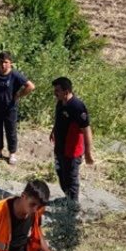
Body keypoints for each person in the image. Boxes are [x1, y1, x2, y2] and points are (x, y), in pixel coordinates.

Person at [0, 51, 35, 164]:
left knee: (11, 131)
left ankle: (12, 154)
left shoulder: (15, 75)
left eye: (6, 62)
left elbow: (30, 86)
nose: (3, 65)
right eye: (1, 62)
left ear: (11, 63)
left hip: (10, 108)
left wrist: (19, 95)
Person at [49, 77, 94, 209]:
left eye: (57, 90)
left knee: (71, 177)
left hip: (72, 150)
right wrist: (53, 131)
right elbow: (59, 119)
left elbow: (87, 130)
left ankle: (73, 205)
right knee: (60, 173)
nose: (54, 93)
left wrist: (88, 153)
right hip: (60, 147)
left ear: (66, 91)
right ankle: (67, 198)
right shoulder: (60, 102)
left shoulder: (77, 106)